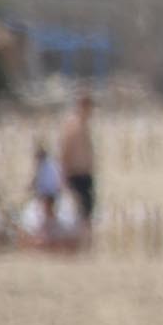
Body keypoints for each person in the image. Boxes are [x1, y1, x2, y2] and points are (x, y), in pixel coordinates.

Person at [57, 91, 96, 237]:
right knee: (78, 211)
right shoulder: (72, 126)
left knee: (88, 211)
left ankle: (86, 242)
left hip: (86, 175)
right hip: (75, 174)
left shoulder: (85, 125)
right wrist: (63, 176)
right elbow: (64, 152)